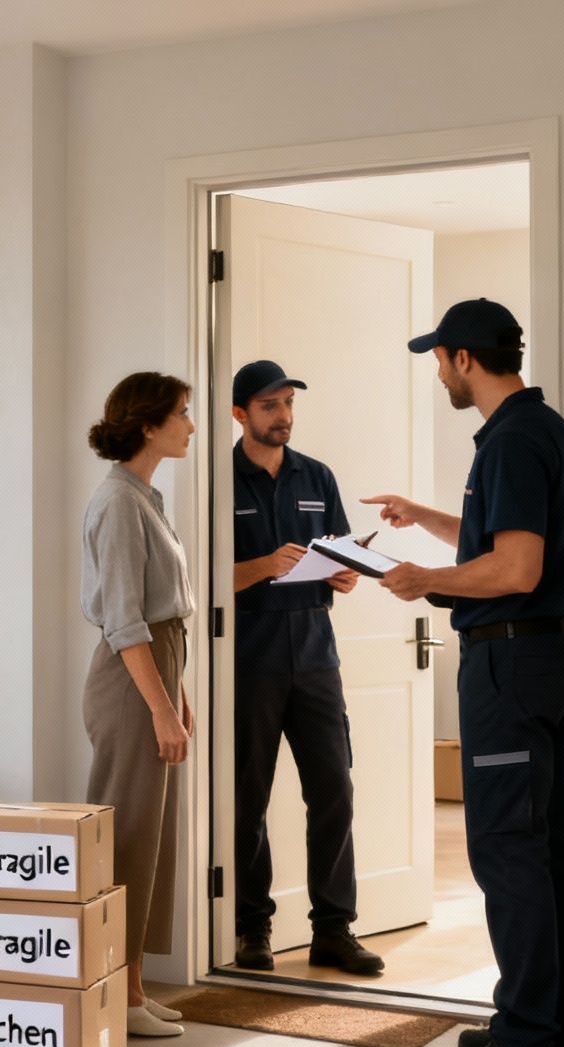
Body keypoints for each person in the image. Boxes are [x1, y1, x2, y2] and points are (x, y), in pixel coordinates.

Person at [366, 298, 564, 1047]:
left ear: (465, 358)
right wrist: (423, 519)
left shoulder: (510, 442)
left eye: (440, 360)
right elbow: (502, 546)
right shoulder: (543, 431)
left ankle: (526, 1042)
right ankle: (555, 1026)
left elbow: (516, 570)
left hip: (508, 665)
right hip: (547, 659)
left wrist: (426, 581)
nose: (438, 374)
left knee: (507, 848)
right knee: (545, 844)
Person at [228, 360, 384, 978]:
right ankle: (251, 928)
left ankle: (333, 930)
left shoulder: (317, 476)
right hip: (248, 658)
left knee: (334, 792)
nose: (284, 416)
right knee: (247, 798)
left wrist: (345, 573)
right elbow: (200, 580)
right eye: (270, 405)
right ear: (241, 413)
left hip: (317, 658)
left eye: (289, 403)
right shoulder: (219, 481)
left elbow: (340, 553)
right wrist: (263, 565)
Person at [81, 370, 196, 1039]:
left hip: (155, 671)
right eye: (181, 413)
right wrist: (158, 708)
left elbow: (161, 614)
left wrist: (176, 695)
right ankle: (118, 998)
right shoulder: (120, 502)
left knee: (149, 837)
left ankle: (133, 990)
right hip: (128, 685)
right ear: (150, 424)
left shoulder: (144, 496)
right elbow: (126, 621)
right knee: (126, 838)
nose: (189, 424)